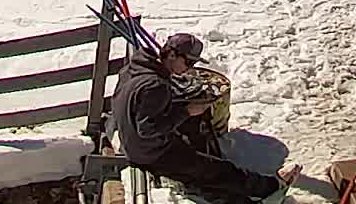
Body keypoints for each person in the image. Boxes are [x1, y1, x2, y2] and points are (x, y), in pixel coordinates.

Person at [112, 34, 283, 203]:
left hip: (132, 142)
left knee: (196, 153)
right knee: (216, 170)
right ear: (172, 55)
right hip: (149, 153)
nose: (189, 68)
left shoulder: (136, 67)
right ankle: (270, 187)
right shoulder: (155, 85)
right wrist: (186, 111)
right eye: (188, 62)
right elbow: (148, 129)